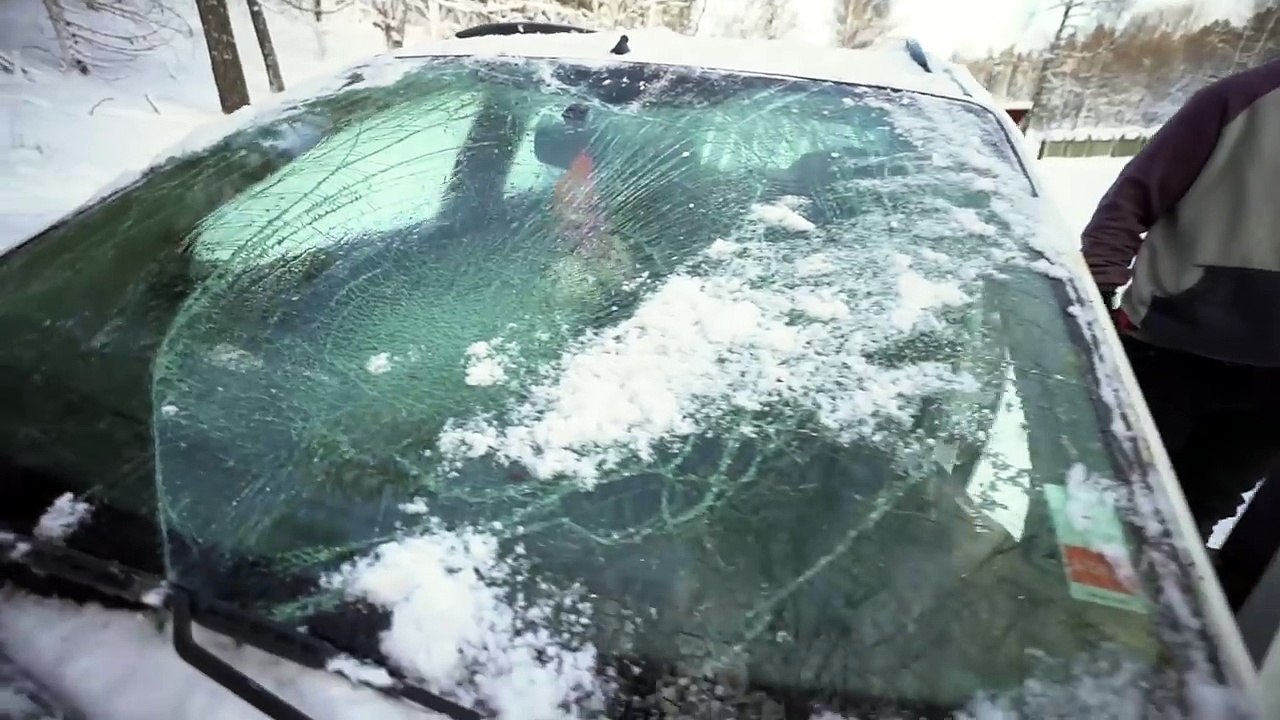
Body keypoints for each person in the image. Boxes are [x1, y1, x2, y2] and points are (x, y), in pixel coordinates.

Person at [1080, 58, 1280, 546]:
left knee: (1194, 519)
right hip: (1167, 347)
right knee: (1105, 504)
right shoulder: (1241, 100)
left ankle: (1158, 617)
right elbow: (1132, 197)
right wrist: (1099, 286)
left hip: (1273, 388)